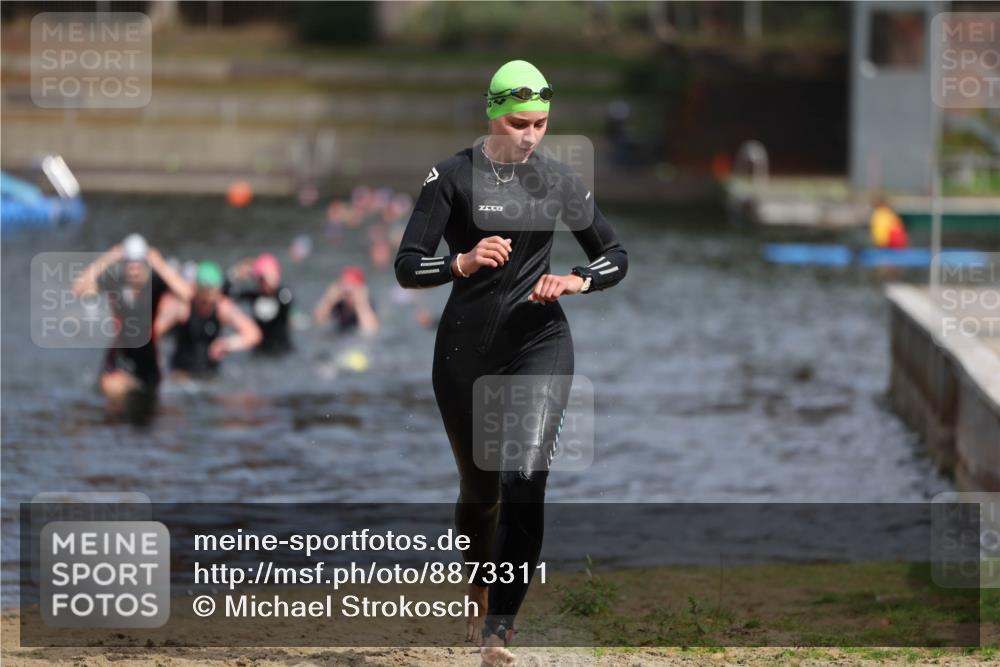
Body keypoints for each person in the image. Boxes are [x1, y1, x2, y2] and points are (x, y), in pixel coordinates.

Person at [394, 60, 628, 666]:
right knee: (482, 489)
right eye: (520, 122)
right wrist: (461, 263)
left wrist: (578, 280)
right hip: (464, 353)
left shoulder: (557, 180)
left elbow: (615, 254)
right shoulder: (449, 177)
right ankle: (479, 586)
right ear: (493, 114)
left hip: (538, 342)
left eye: (542, 123)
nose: (531, 134)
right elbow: (406, 265)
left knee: (525, 477)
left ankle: (500, 628)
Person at [72, 234, 193, 424]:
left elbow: (187, 294)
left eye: (138, 264)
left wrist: (159, 263)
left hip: (147, 355)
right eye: (129, 264)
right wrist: (108, 258)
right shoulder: (115, 282)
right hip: (120, 352)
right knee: (112, 395)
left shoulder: (155, 282)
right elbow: (79, 289)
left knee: (149, 410)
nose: (134, 269)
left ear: (145, 264)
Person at [155, 261, 262, 378]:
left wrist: (227, 344)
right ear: (197, 289)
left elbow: (253, 334)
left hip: (211, 374)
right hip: (181, 374)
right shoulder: (182, 307)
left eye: (214, 294)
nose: (209, 301)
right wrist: (155, 354)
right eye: (206, 295)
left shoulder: (222, 307)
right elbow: (154, 331)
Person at [226, 253, 295, 356]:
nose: (264, 283)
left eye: (266, 279)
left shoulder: (282, 294)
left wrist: (273, 283)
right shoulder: (254, 296)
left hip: (282, 349)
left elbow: (288, 301)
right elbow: (226, 295)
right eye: (261, 279)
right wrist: (234, 275)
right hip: (260, 350)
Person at [312, 265, 379, 335]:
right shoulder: (338, 304)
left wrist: (360, 303)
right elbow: (317, 321)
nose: (348, 294)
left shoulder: (367, 305)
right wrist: (329, 299)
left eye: (353, 288)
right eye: (345, 290)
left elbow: (370, 330)